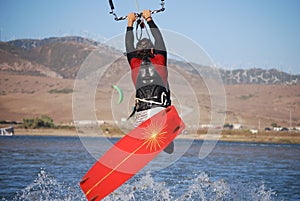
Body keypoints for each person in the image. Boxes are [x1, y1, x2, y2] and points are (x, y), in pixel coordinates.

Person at [126, 10, 174, 154]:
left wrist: (130, 23)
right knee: (169, 150)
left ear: (137, 51)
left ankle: (145, 140)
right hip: (160, 111)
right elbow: (159, 39)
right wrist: (148, 18)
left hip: (142, 113)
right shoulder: (160, 60)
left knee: (141, 146)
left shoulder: (134, 62)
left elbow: (128, 43)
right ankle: (165, 139)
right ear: (153, 49)